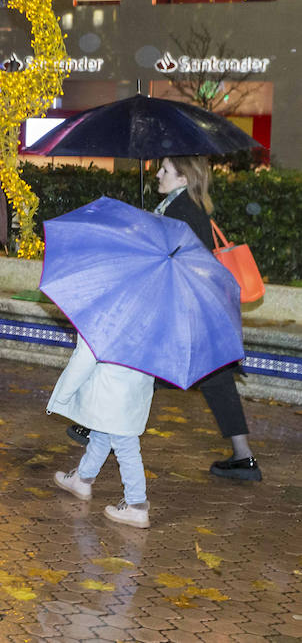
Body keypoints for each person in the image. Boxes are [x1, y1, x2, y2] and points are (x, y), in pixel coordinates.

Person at [67, 155, 262, 482]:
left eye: (165, 170)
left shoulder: (178, 212)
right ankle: (243, 457)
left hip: (179, 315)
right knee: (214, 381)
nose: (158, 174)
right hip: (199, 315)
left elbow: (162, 259)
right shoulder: (190, 207)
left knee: (131, 364)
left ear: (183, 178)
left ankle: (95, 427)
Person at [49, 334, 155, 528]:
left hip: (109, 392)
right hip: (136, 392)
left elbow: (85, 357)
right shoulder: (152, 318)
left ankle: (136, 505)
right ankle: (82, 478)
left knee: (126, 447)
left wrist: (62, 395)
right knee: (101, 435)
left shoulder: (103, 317)